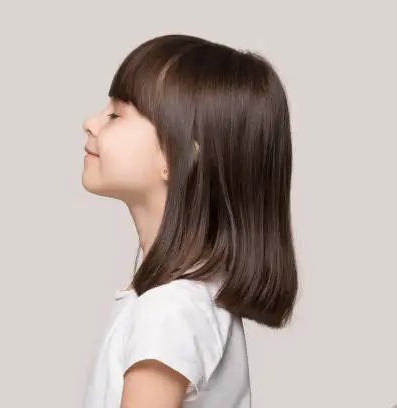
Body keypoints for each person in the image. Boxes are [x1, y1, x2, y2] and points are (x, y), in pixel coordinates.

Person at [80, 34, 298, 408]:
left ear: (180, 154)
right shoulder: (184, 298)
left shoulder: (168, 310)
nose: (90, 123)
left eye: (116, 114)